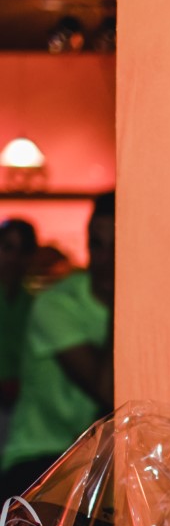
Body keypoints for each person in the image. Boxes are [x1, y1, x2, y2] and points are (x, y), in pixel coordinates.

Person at [0, 191, 115, 500]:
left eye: (117, 246)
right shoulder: (54, 304)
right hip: (40, 455)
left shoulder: (27, 300)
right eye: (97, 245)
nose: (106, 258)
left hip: (87, 458)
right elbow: (104, 390)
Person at [0, 218, 37, 453]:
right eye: (7, 248)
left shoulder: (34, 305)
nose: (14, 258)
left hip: (20, 410)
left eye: (22, 251)